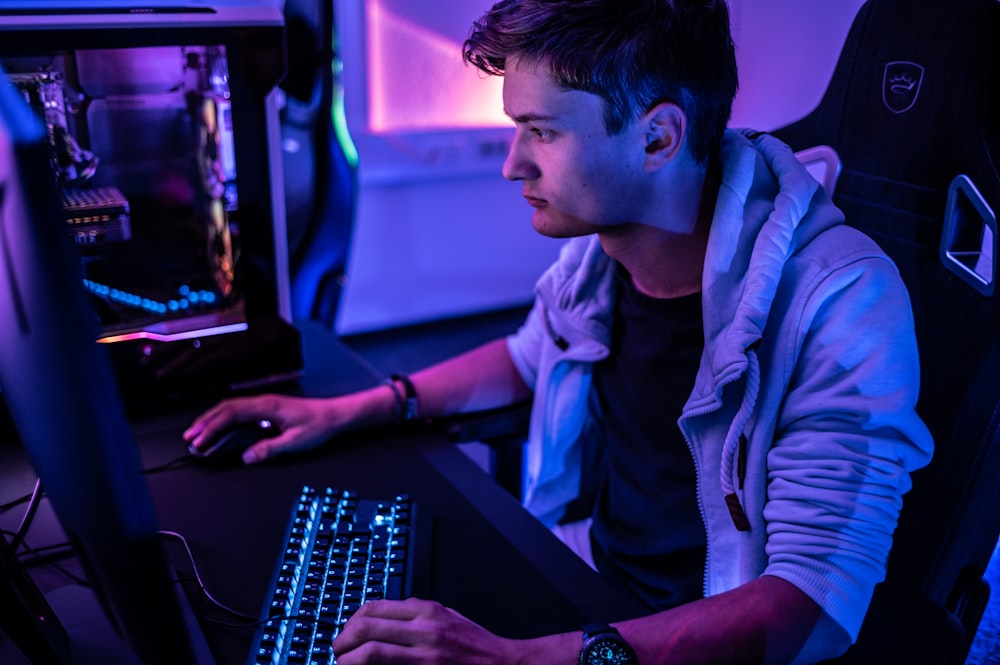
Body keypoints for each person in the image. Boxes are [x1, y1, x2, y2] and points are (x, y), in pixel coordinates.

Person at [184, 0, 934, 662]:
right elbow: (528, 358)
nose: (513, 165)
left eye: (540, 132)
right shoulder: (601, 251)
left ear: (658, 139)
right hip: (588, 584)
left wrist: (511, 659)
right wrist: (349, 409)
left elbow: (807, 607)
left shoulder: (839, 300)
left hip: (694, 630)